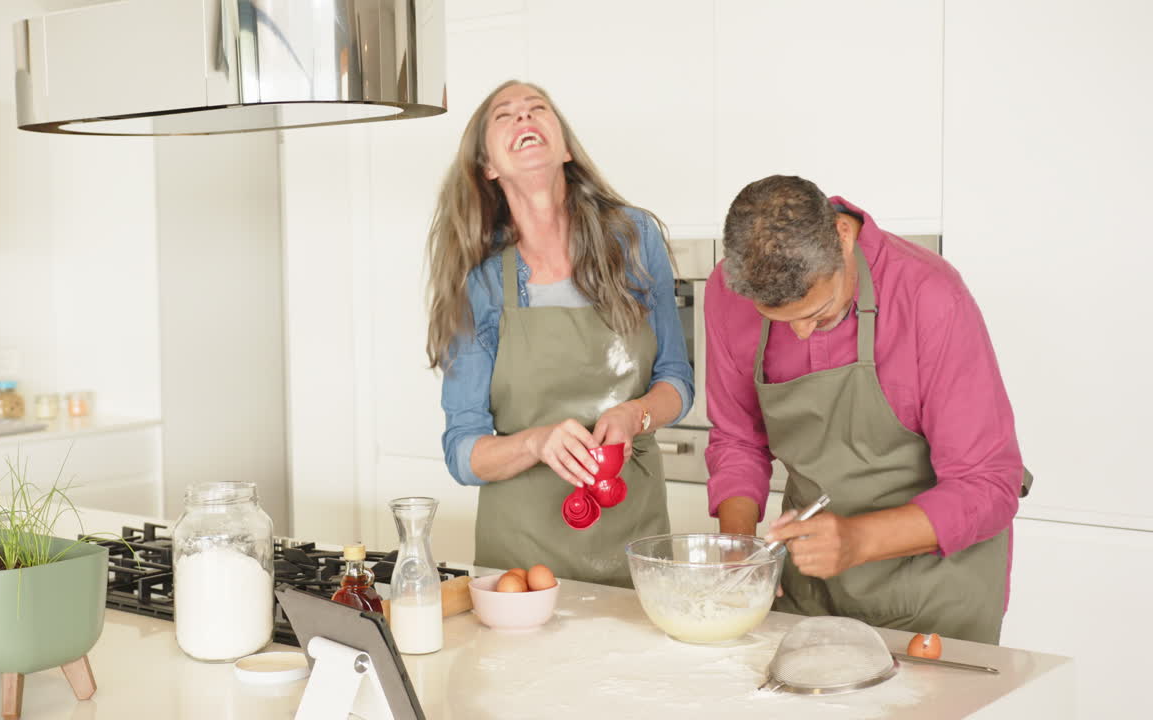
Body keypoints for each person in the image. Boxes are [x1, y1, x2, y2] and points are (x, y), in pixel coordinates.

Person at [704, 175, 1031, 643]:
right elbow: (738, 439)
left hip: (934, 593)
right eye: (779, 321)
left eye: (820, 313)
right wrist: (740, 550)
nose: (800, 334)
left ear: (843, 236)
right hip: (811, 587)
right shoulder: (728, 289)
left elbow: (989, 484)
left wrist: (857, 541)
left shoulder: (929, 295)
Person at [425, 80, 693, 587]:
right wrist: (536, 444)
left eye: (537, 109)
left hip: (635, 540)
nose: (523, 117)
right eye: (505, 115)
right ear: (488, 166)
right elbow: (463, 451)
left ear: (565, 148)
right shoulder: (480, 282)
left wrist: (634, 415)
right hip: (521, 558)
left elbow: (676, 380)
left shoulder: (635, 240)